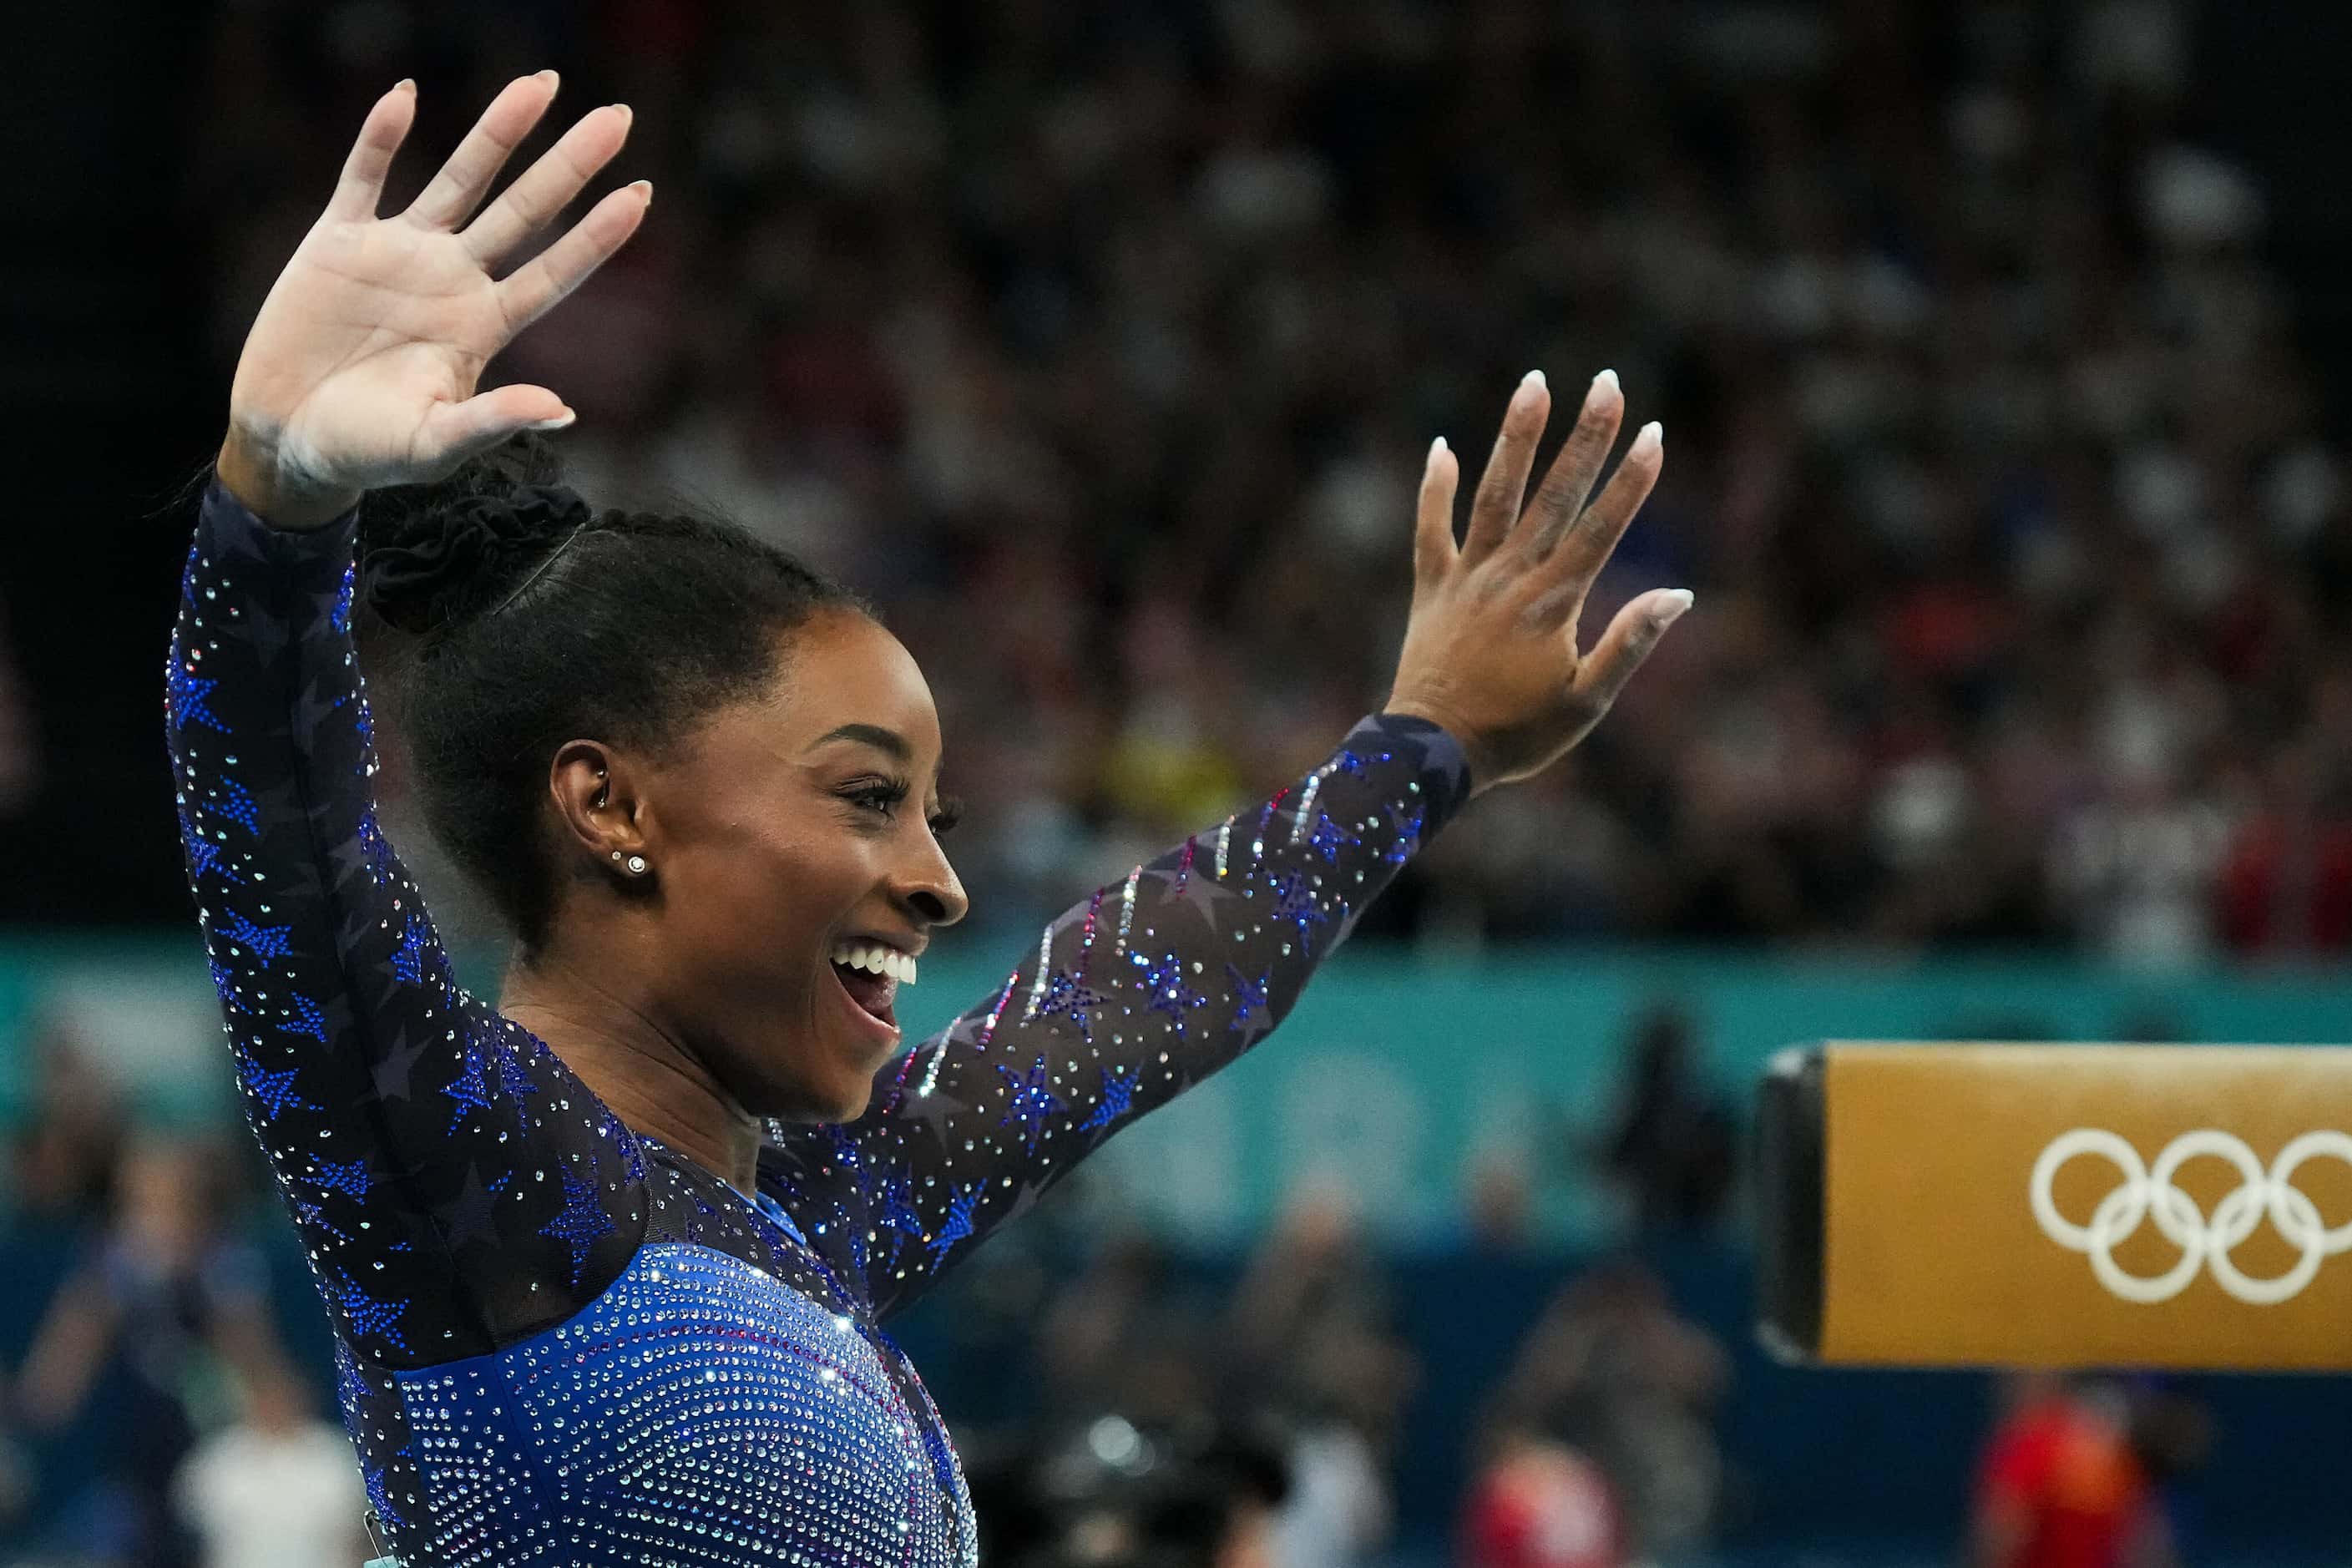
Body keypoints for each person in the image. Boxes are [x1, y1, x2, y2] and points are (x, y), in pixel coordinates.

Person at [173, 73, 1691, 1568]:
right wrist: (275, 504)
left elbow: (1126, 997)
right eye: (867, 799)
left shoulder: (812, 1216)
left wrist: (1423, 746)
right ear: (610, 804)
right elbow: (292, 864)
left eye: (933, 813)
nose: (942, 883)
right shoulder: (482, 1177)